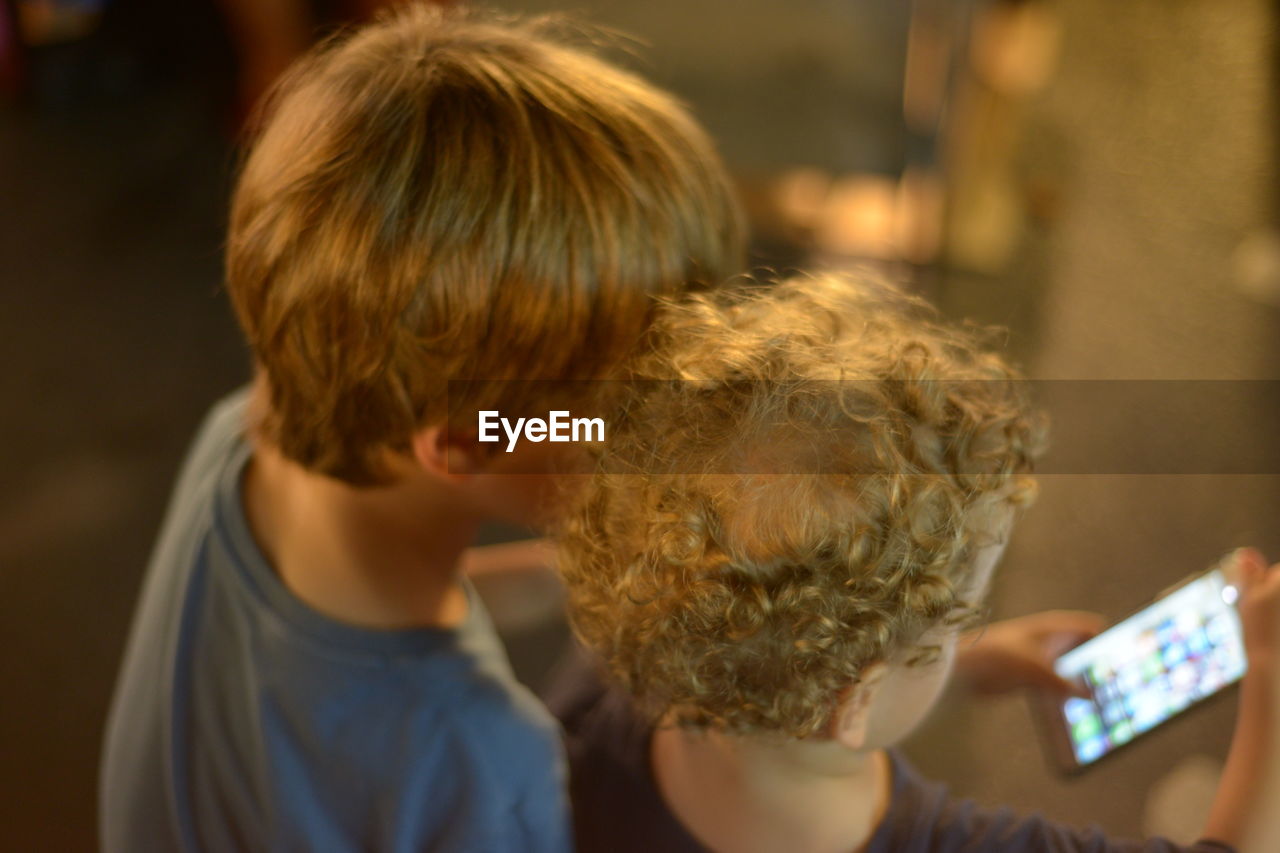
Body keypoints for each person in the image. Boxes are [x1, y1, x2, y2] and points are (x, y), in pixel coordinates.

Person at [99, 4, 744, 850]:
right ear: (467, 442)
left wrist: (600, 574)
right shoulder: (480, 761)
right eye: (632, 409)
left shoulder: (246, 434)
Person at [551, 272, 1280, 852]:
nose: (962, 638)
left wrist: (963, 666)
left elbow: (783, 669)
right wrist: (1272, 668)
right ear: (854, 704)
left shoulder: (619, 689)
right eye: (958, 623)